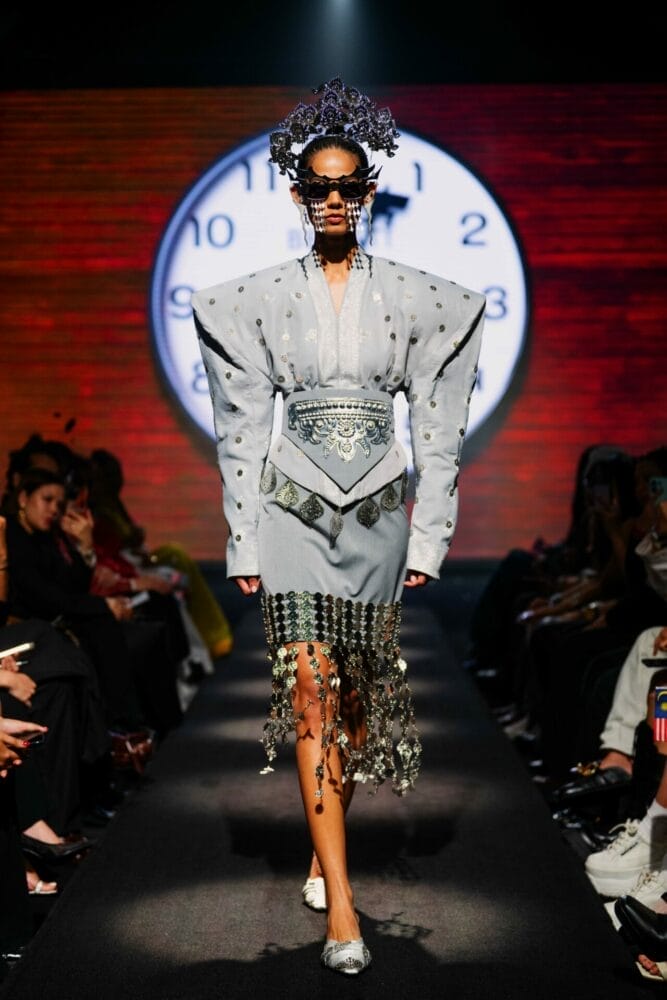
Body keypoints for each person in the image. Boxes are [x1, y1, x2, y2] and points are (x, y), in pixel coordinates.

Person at [192, 78, 485, 975]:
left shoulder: (420, 299)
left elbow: (438, 431)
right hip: (290, 511)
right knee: (313, 695)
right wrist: (242, 538)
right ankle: (344, 906)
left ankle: (329, 855)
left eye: (346, 186)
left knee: (355, 703)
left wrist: (430, 536)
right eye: (316, 186)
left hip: (379, 516)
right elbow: (241, 431)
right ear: (295, 193)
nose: (330, 199)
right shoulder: (254, 300)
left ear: (367, 191)